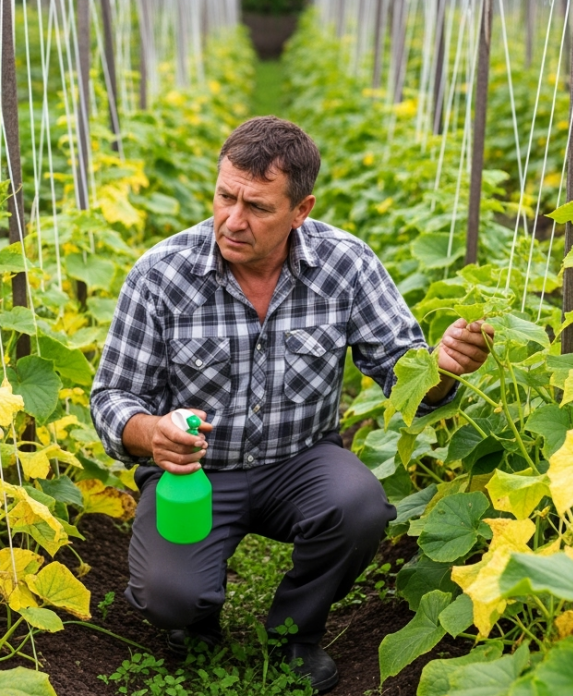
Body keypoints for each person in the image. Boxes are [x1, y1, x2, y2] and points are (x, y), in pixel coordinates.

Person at [89, 116, 493, 693]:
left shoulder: (345, 264)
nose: (232, 219)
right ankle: (197, 616)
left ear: (301, 210)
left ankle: (295, 634)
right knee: (169, 595)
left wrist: (444, 370)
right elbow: (111, 396)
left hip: (301, 462)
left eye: (257, 207)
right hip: (195, 476)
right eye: (226, 196)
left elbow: (402, 369)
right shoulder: (162, 274)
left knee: (361, 507)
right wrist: (151, 431)